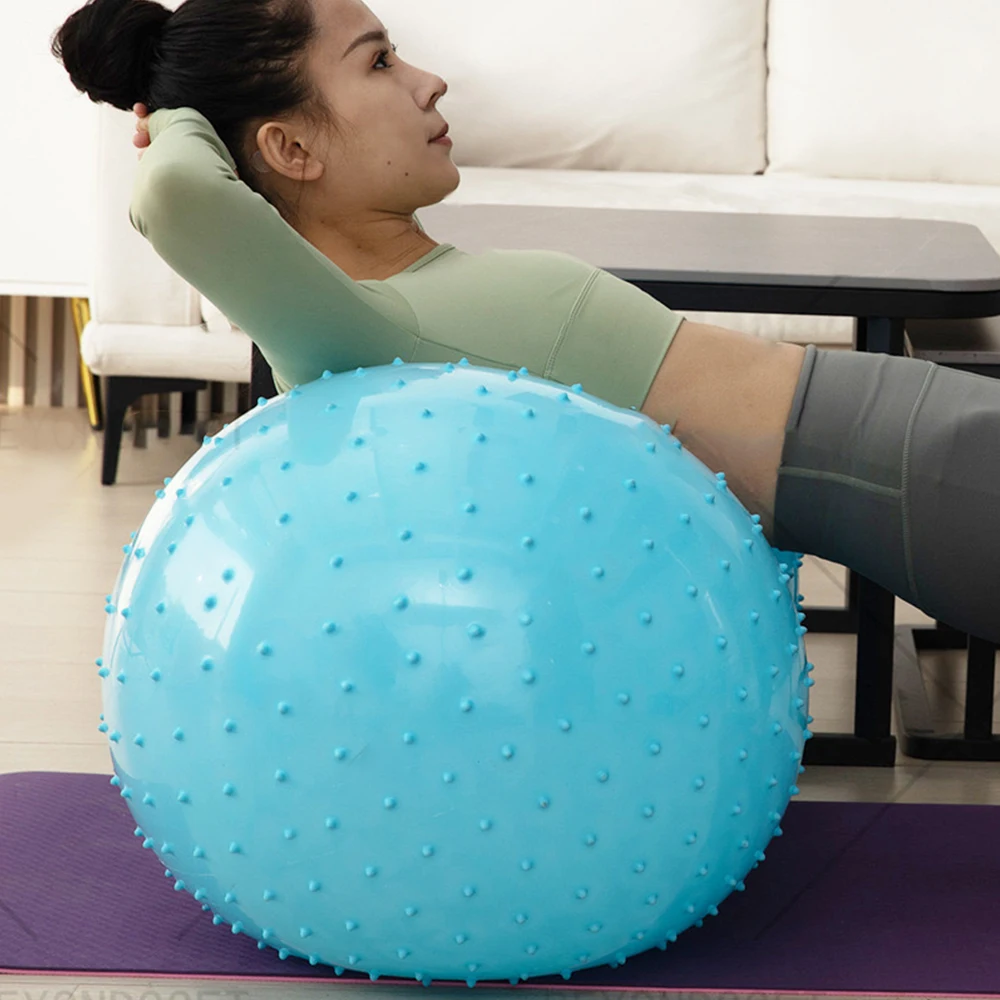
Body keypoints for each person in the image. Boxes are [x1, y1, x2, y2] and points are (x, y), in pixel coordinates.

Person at [54, 0, 1000, 643]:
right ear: (289, 145)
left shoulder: (403, 289)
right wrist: (174, 117)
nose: (430, 82)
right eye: (379, 61)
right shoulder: (353, 331)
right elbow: (177, 193)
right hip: (915, 474)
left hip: (929, 445)